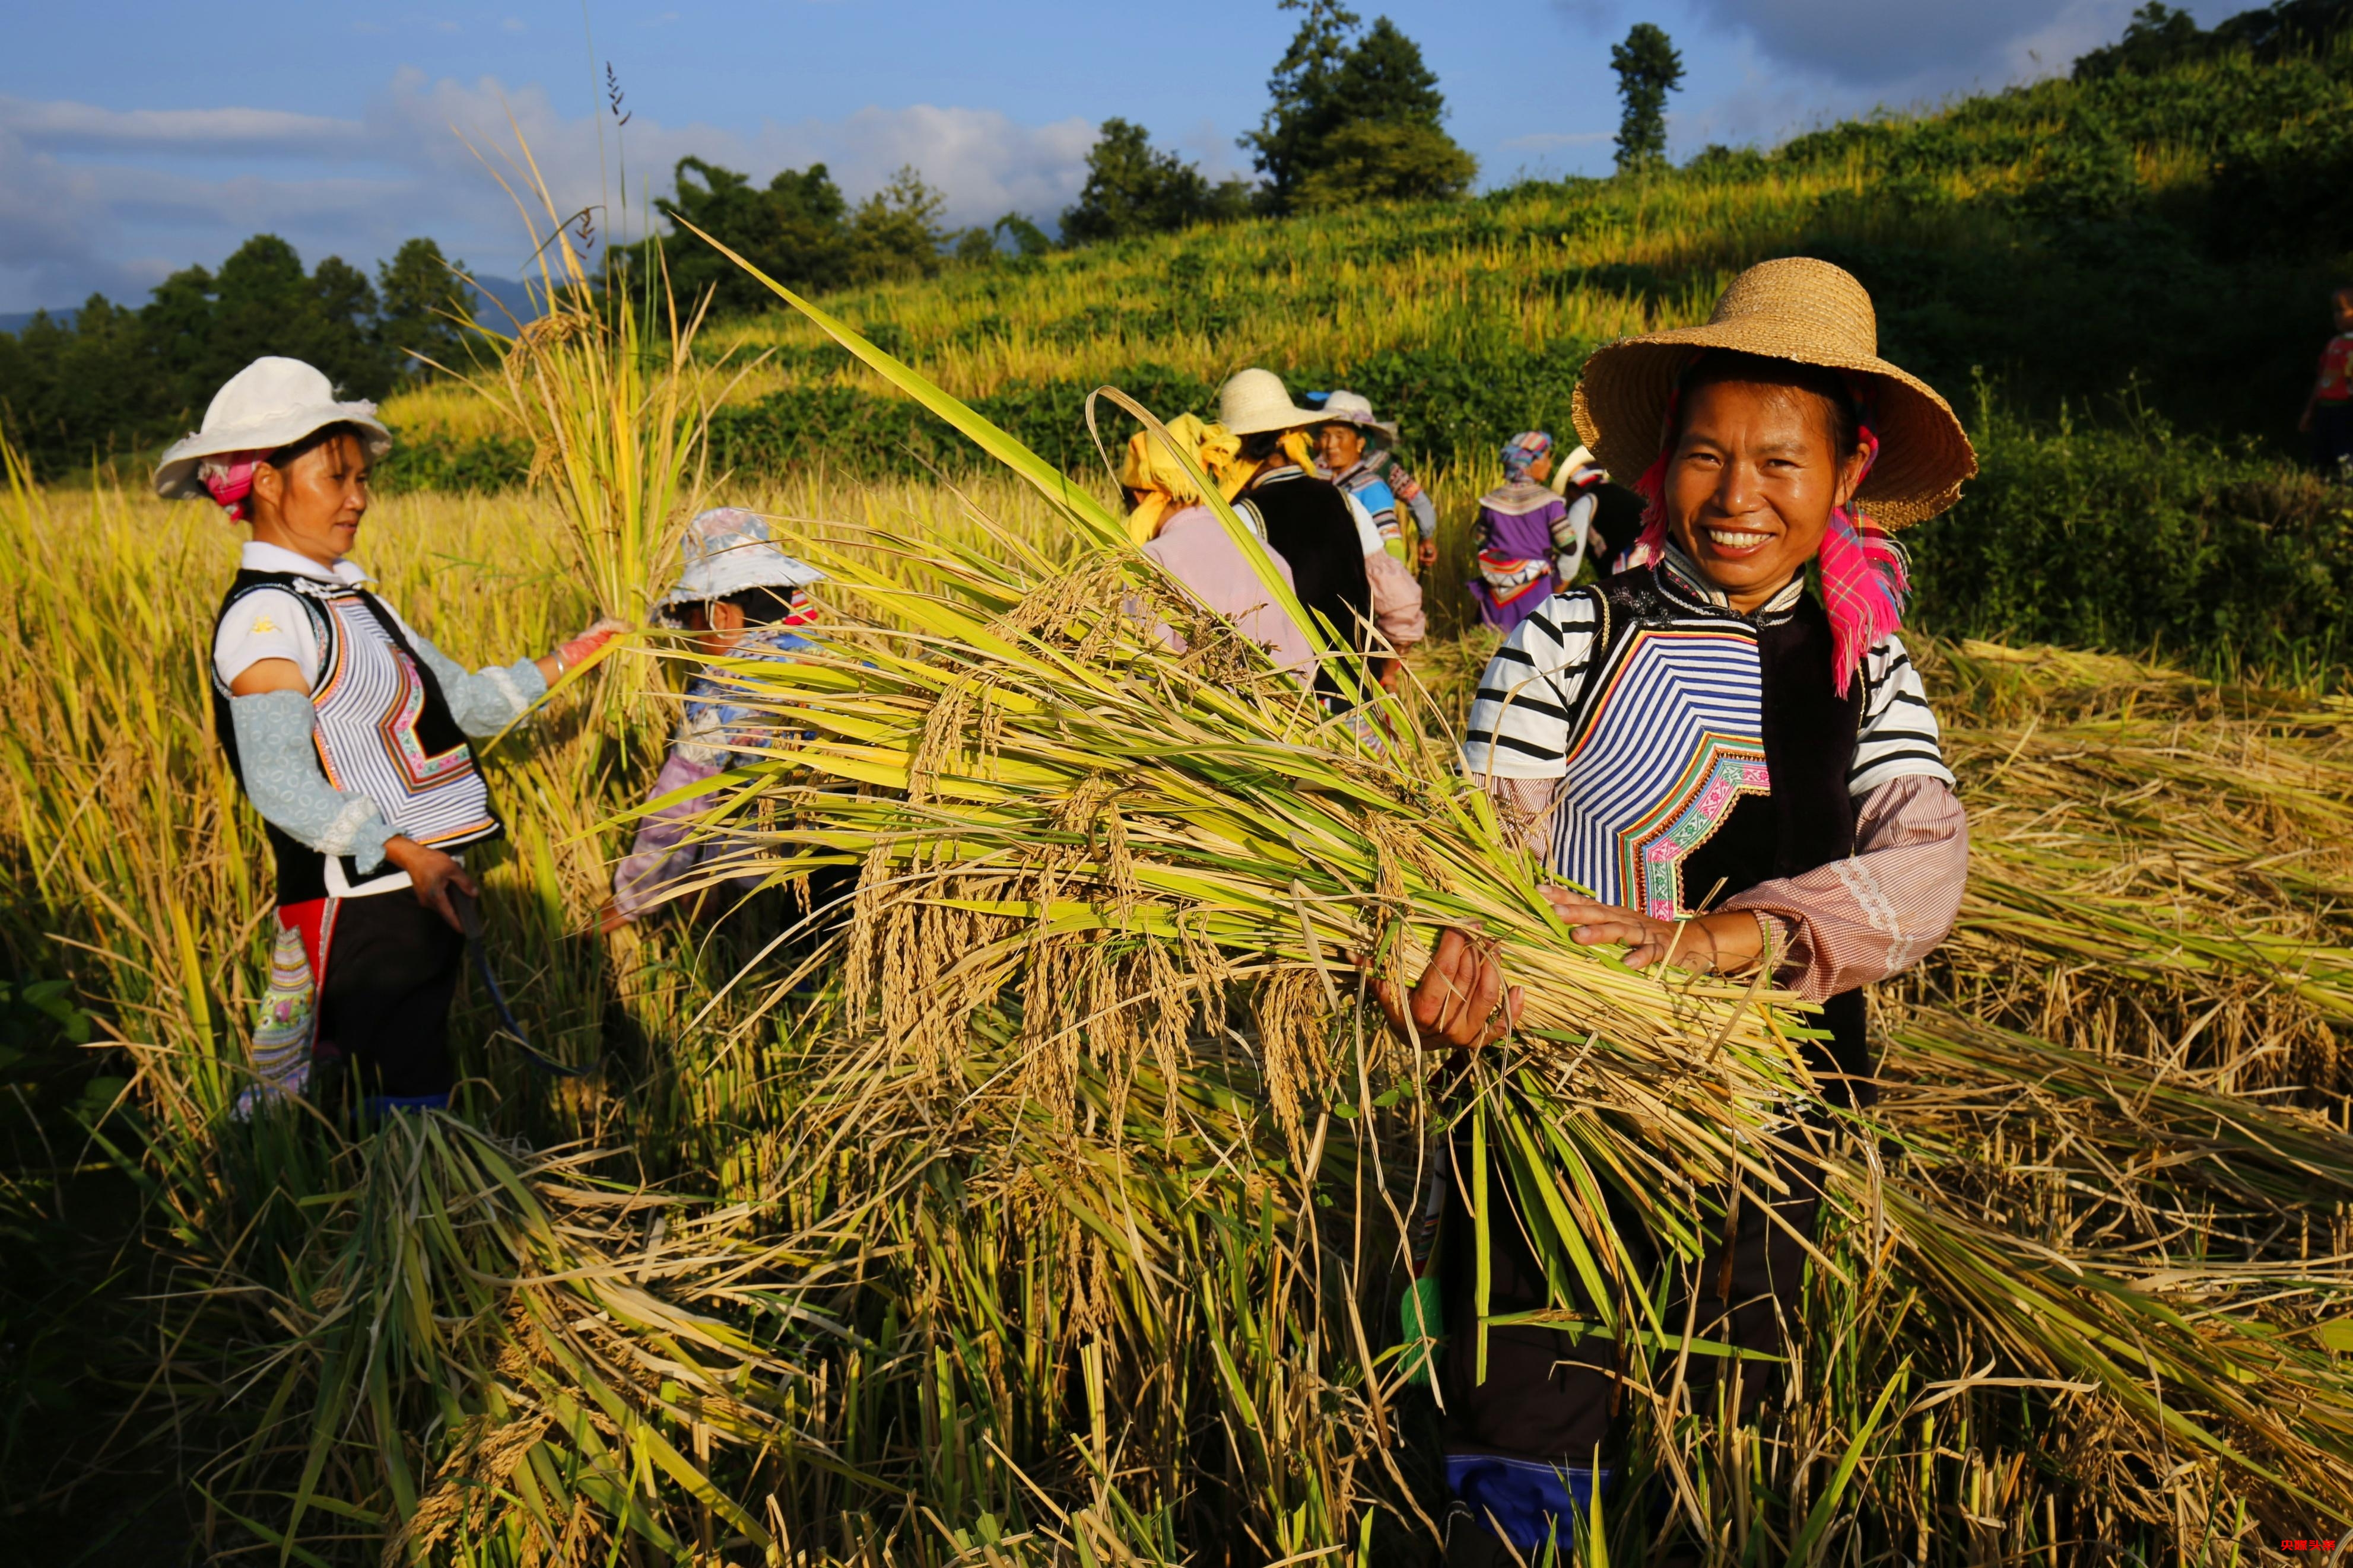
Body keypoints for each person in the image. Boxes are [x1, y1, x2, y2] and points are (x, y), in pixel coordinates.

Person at [1379, 259, 1977, 1560]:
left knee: (1729, 1435)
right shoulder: (1565, 639)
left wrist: (1733, 937)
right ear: (1662, 463)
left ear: (1843, 475)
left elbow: (1924, 857)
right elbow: (1471, 835)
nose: (1738, 495)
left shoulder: (1862, 664)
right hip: (1553, 1101)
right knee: (1522, 1414)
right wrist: (1450, 946)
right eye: (1706, 455)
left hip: (1775, 1114)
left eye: (1779, 461)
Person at [158, 357, 625, 1117]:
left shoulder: (355, 601)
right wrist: (406, 852)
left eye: (362, 480)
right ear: (268, 484)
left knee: (356, 1071)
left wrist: (583, 650)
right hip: (357, 900)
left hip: (408, 888)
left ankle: (383, 1203)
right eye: (336, 479)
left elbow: (467, 703)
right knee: (396, 1082)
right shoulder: (268, 618)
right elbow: (279, 783)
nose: (358, 499)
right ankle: (406, 1215)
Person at [605, 508, 827, 930]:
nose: (693, 642)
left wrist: (632, 899)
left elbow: (679, 804)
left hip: (777, 879)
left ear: (719, 616)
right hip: (847, 852)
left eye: (691, 623)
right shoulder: (825, 656)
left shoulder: (721, 688)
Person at [1217, 368, 1425, 695]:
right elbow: (1401, 603)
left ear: (1233, 450)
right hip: (1360, 699)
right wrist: (1387, 672)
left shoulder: (1240, 518)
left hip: (1286, 705)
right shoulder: (1346, 501)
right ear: (1294, 436)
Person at [1119, 412, 1317, 676]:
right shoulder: (1264, 552)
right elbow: (1304, 665)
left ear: (1139, 495)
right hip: (1286, 714)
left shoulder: (1154, 560)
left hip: (1194, 716)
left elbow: (1147, 672)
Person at [1313, 390, 1440, 573]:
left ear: (1360, 440)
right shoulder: (1383, 464)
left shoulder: (1368, 484)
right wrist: (1426, 538)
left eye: (1340, 435)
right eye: (1326, 435)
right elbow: (1417, 499)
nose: (1332, 444)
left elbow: (1391, 546)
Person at [1468, 431, 1573, 632]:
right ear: (1531, 463)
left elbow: (1478, 540)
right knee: (1534, 643)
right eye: (1547, 458)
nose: (1550, 465)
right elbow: (1569, 545)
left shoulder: (1492, 502)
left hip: (1496, 592)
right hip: (1534, 593)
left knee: (1494, 649)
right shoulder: (1550, 503)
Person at [1547, 443, 1648, 572]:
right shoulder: (1627, 495)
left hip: (1628, 576)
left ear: (1573, 490)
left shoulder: (1584, 504)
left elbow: (1568, 567)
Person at [2298, 285, 2353, 482]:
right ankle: (2319, 497)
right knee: (2321, 460)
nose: (2337, 316)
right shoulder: (2333, 344)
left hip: (2347, 412)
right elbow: (2322, 379)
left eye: (2342, 310)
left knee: (2346, 460)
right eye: (2335, 311)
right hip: (2325, 410)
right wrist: (2310, 410)